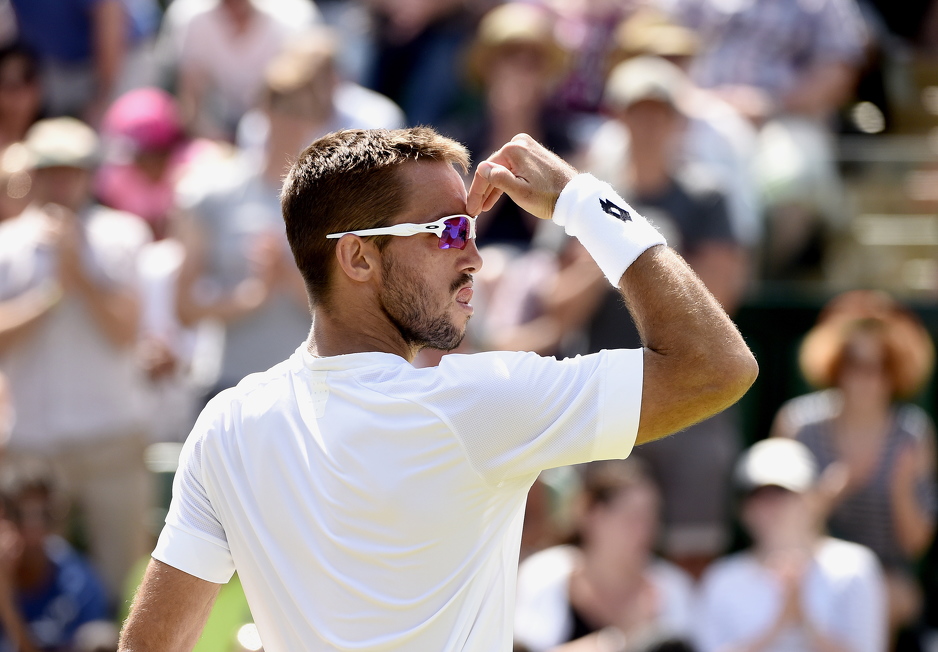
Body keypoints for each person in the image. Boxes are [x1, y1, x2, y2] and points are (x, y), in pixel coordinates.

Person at [118, 127, 758, 651]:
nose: (473, 255)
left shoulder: (228, 423)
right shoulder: (480, 404)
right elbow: (717, 366)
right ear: (359, 258)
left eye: (471, 230)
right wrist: (579, 199)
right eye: (448, 230)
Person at [0, 117, 153, 604]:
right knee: (32, 591)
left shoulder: (123, 234)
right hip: (32, 448)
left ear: (89, 173)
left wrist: (78, 275)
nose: (62, 182)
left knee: (127, 585)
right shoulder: (6, 242)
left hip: (111, 440)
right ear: (34, 174)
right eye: (50, 170)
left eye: (72, 170)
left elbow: (126, 332)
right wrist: (51, 295)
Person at [771, 290, 936, 640]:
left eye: (879, 367)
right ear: (836, 364)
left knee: (882, 597)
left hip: (887, 572)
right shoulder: (798, 423)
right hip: (810, 563)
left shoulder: (913, 433)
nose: (865, 379)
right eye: (854, 364)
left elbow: (916, 544)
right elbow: (776, 517)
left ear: (895, 372)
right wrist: (833, 491)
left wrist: (901, 488)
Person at [695, 437, 887, 652]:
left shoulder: (855, 567)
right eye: (757, 496)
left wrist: (804, 621)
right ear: (743, 511)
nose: (770, 508)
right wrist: (779, 625)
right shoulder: (722, 579)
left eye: (782, 494)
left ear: (811, 499)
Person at [514, 459, 695, 652]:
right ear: (592, 515)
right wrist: (617, 641)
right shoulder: (542, 574)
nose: (644, 531)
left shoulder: (673, 588)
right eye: (632, 517)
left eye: (652, 517)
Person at [0, 457, 115, 652]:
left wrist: (6, 602)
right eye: (19, 515)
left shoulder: (77, 579)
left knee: (101, 637)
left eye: (43, 514)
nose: (33, 528)